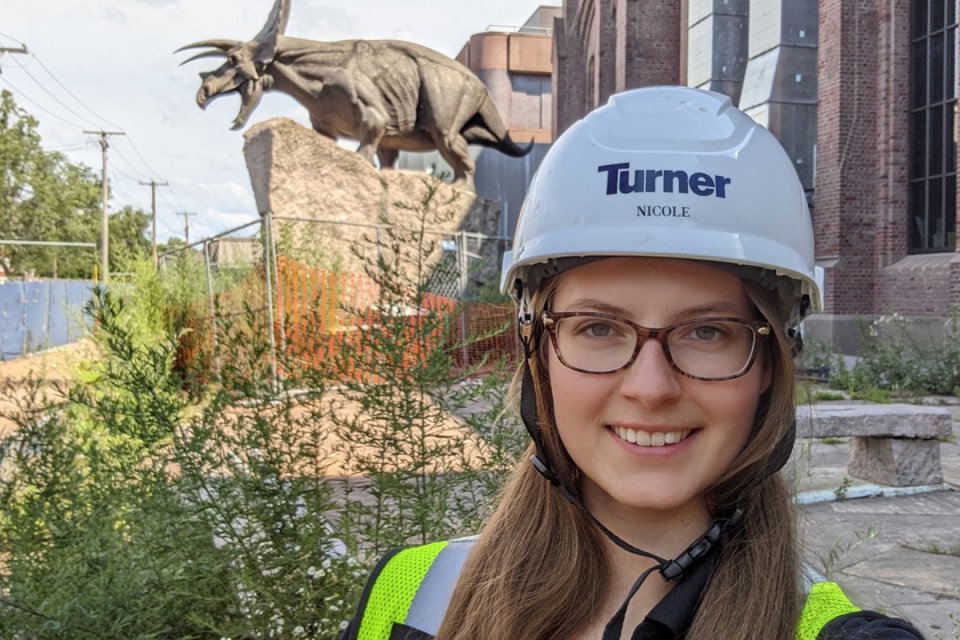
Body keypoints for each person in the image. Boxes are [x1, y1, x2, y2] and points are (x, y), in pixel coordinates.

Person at [339, 86, 926, 640]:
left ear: (770, 363)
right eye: (598, 328)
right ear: (536, 349)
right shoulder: (412, 598)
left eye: (707, 332)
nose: (650, 388)